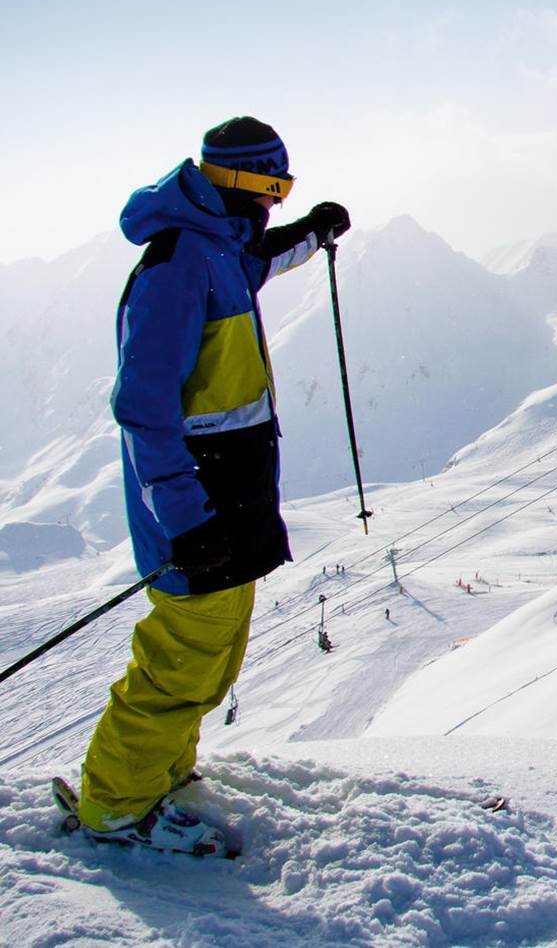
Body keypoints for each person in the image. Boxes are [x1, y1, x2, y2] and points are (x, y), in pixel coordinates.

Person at [77, 116, 351, 855]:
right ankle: (113, 806)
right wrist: (186, 521)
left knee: (215, 657)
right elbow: (141, 405)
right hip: (197, 508)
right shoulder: (177, 267)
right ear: (236, 180)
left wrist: (314, 230)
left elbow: (261, 256)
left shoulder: (222, 249)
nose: (275, 200)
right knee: (179, 662)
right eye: (272, 185)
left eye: (284, 187)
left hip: (235, 499)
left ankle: (161, 774)